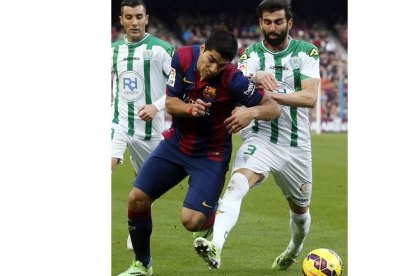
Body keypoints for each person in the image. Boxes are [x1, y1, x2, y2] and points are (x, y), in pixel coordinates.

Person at [118, 29, 281, 276]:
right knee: (136, 199)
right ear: (203, 49)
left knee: (191, 222)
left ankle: (210, 215)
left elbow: (273, 108)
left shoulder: (233, 80)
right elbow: (171, 103)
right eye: (212, 60)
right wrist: (190, 109)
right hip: (176, 145)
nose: (214, 68)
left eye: (221, 65)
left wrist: (251, 113)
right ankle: (142, 264)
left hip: (211, 154)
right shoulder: (182, 57)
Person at [193, 0, 321, 271]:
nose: (272, 27)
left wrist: (267, 95)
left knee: (300, 211)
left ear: (290, 22)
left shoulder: (306, 52)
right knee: (238, 183)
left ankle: (294, 249)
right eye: (267, 22)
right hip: (260, 138)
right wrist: (250, 92)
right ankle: (215, 245)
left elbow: (310, 97)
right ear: (260, 23)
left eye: (278, 22)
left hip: (296, 145)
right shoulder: (250, 56)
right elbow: (235, 89)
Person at [111, 0, 174, 250]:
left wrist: (155, 106)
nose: (134, 22)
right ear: (121, 20)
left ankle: (136, 226)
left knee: (146, 187)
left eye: (139, 16)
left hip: (151, 132)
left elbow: (178, 89)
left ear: (147, 18)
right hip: (118, 123)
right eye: (129, 17)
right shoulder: (112, 51)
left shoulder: (161, 49)